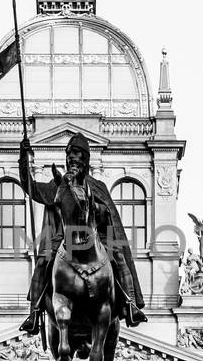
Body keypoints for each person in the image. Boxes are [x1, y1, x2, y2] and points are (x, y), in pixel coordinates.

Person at [17, 134, 147, 334]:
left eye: (76, 154)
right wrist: (23, 159)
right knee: (43, 262)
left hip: (96, 236)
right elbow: (31, 188)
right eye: (69, 155)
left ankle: (130, 304)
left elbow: (108, 214)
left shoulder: (97, 186)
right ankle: (34, 313)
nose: (71, 158)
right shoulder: (58, 186)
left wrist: (96, 209)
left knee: (119, 257)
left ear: (85, 159)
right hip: (63, 238)